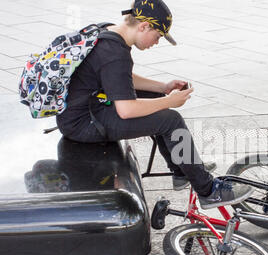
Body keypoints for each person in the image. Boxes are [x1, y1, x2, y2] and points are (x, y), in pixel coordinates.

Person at [56, 0, 253, 209]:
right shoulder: (115, 53)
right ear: (144, 26)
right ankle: (208, 191)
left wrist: (163, 88)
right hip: (84, 123)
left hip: (81, 109)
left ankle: (181, 170)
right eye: (158, 36)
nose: (156, 42)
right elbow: (127, 110)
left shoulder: (108, 31)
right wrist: (169, 101)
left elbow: (120, 78)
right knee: (170, 119)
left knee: (156, 103)